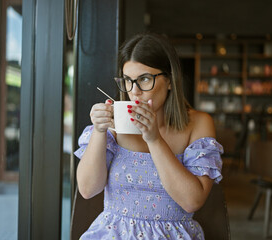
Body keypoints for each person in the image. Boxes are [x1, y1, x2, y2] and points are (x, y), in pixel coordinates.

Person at [74, 33, 223, 240]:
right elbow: (88, 189)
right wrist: (99, 132)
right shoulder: (113, 125)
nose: (134, 92)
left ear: (170, 81)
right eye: (127, 81)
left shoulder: (198, 124)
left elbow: (192, 201)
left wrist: (154, 139)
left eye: (144, 79)